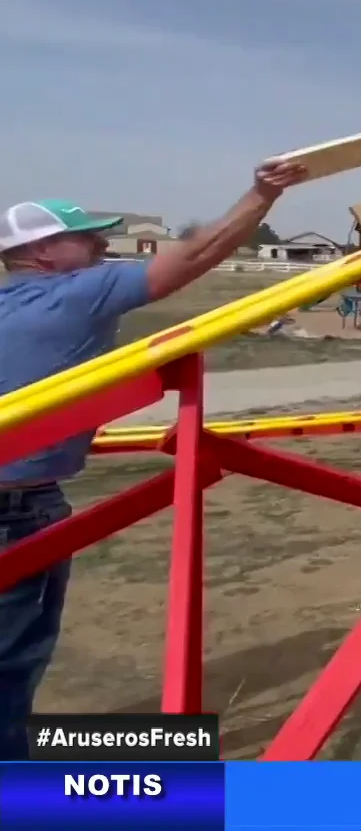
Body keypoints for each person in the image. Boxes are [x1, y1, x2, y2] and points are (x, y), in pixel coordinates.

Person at [0, 157, 307, 758]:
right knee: (13, 656)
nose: (99, 246)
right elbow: (195, 255)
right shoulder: (80, 294)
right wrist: (261, 196)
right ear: (41, 254)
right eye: (85, 238)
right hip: (18, 507)